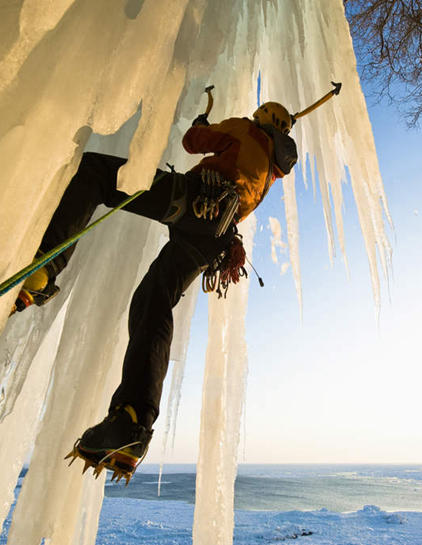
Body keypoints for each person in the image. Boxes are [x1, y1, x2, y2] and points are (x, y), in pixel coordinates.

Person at [18, 101, 298, 483]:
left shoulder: (245, 130)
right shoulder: (272, 171)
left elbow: (192, 142)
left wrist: (202, 122)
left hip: (193, 201)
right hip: (214, 236)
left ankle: (44, 269)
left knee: (98, 173)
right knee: (153, 300)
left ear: (261, 119)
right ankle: (132, 423)